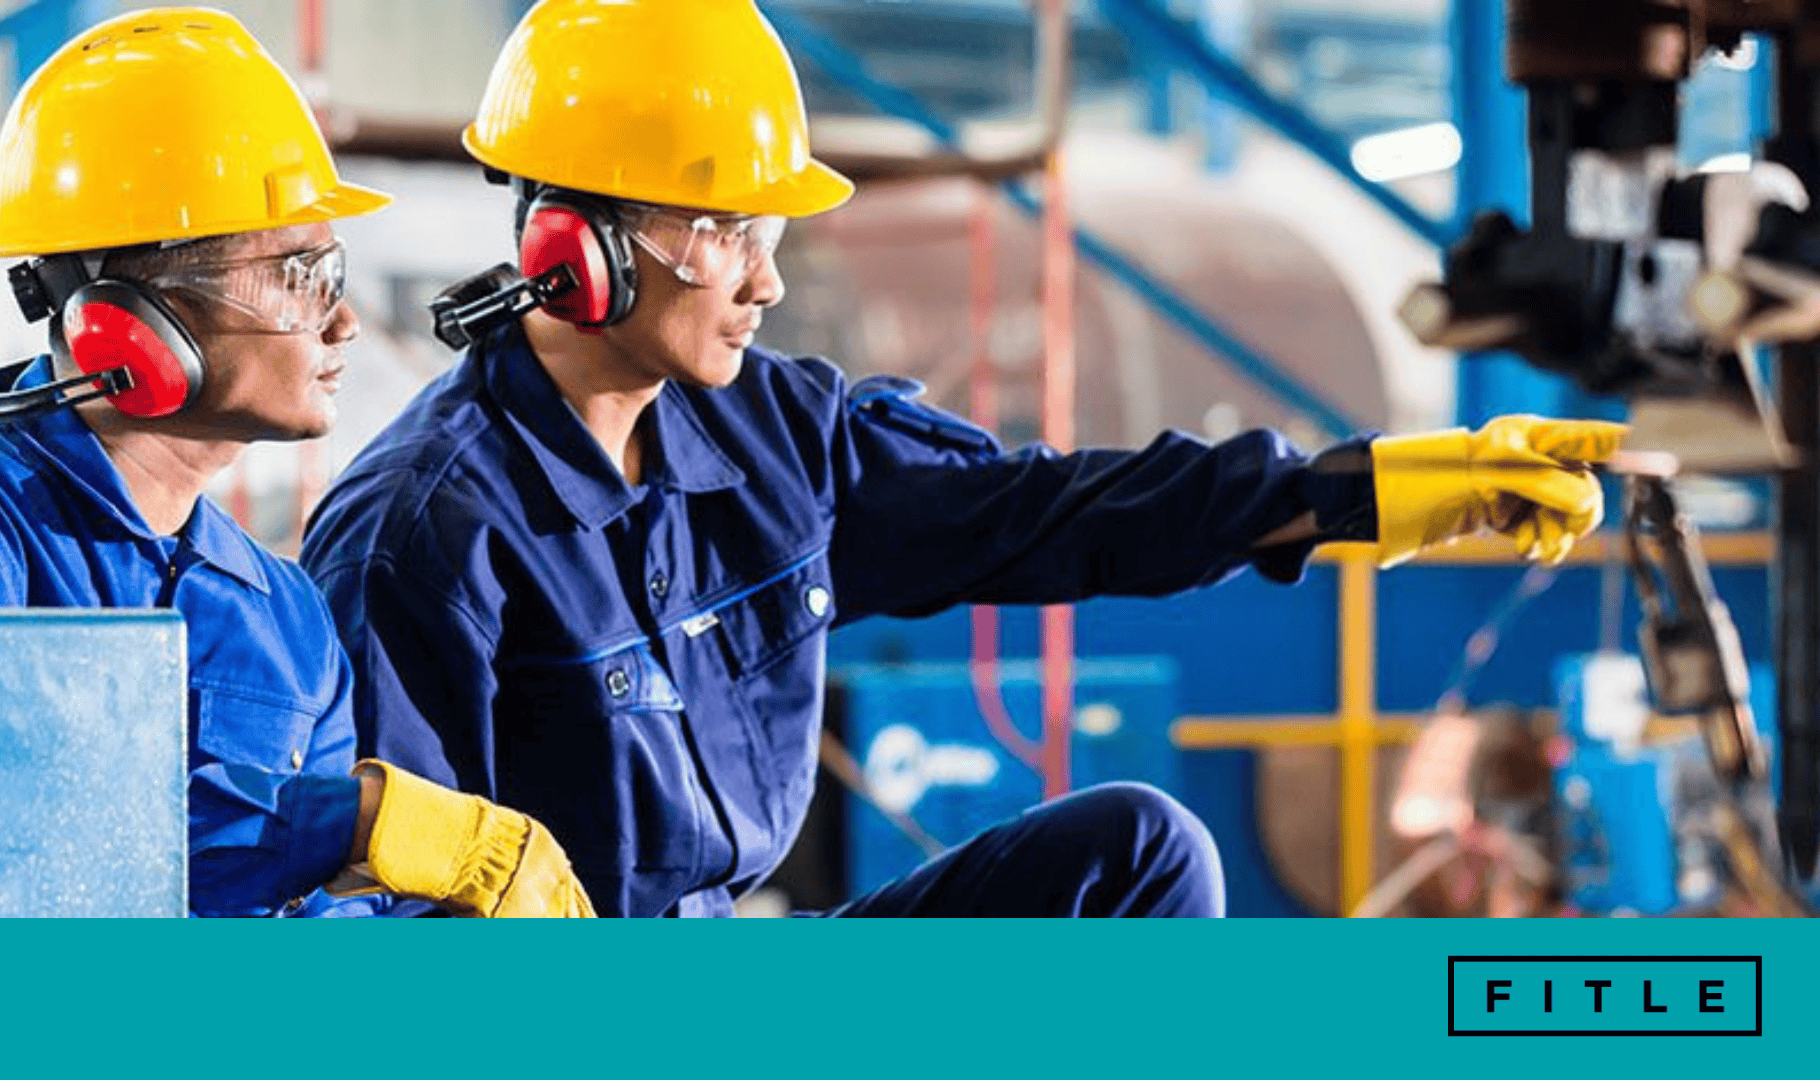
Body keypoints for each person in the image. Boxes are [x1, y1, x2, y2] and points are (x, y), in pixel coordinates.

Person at [301, 0, 1625, 917]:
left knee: (1139, 857)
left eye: (770, 230)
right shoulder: (431, 530)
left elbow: (1049, 513)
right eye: (725, 230)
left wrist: (1358, 494)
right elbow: (381, 916)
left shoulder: (777, 434)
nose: (767, 281)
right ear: (569, 251)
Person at [0, 8, 594, 918]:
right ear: (128, 322)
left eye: (334, 275)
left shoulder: (285, 615)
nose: (342, 322)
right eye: (296, 275)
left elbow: (318, 923)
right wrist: (349, 822)